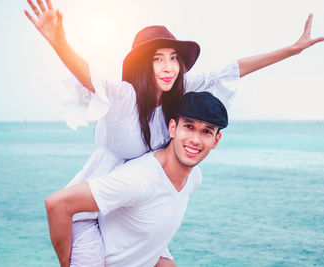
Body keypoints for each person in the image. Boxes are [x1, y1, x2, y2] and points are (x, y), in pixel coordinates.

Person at [24, 0, 324, 265]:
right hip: (92, 207)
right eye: (157, 58)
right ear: (144, 64)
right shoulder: (125, 99)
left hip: (136, 207)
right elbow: (90, 77)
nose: (168, 67)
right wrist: (59, 43)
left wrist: (292, 50)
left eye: (173, 58)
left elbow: (233, 69)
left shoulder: (179, 93)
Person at [45, 91, 228, 267]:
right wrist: (67, 263)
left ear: (216, 141)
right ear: (173, 128)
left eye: (206, 132)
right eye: (189, 127)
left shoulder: (194, 178)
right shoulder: (139, 179)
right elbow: (57, 204)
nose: (195, 139)